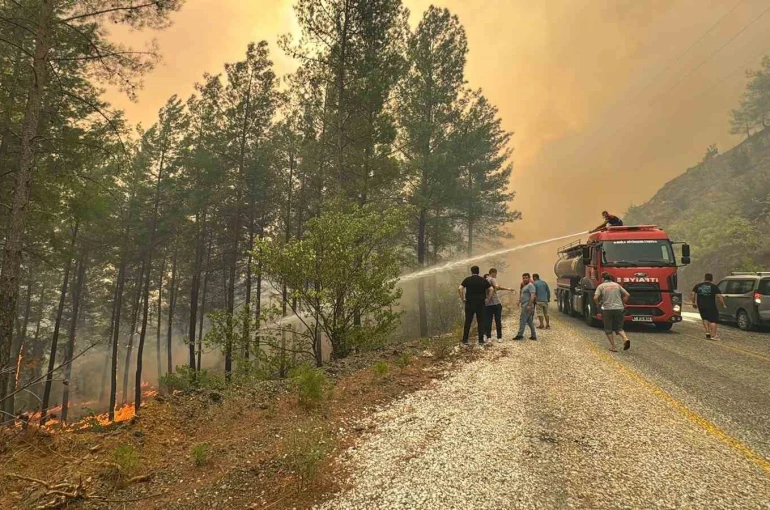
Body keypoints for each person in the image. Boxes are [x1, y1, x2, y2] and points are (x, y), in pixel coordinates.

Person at [593, 272, 631, 352]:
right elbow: (627, 294)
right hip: (618, 308)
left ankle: (613, 347)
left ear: (603, 279)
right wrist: (622, 303)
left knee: (608, 328)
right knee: (619, 327)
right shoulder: (617, 285)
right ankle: (625, 339)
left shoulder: (601, 286)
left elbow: (595, 297)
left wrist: (598, 304)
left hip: (607, 309)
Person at [459, 266, 493, 346]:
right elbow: (491, 289)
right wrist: (488, 298)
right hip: (480, 304)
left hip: (470, 303)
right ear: (478, 271)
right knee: (480, 322)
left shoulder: (467, 279)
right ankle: (480, 341)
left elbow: (460, 288)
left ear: (471, 271)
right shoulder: (483, 280)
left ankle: (465, 340)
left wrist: (462, 298)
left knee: (468, 321)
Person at [691, 273, 726, 340]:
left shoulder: (698, 286)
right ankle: (713, 335)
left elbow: (693, 294)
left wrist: (693, 303)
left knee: (705, 318)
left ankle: (707, 332)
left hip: (701, 305)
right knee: (713, 320)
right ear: (711, 279)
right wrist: (723, 304)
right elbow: (719, 296)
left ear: (705, 278)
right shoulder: (714, 286)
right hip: (710, 306)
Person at [484, 268, 512, 343]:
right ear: (493, 273)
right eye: (495, 273)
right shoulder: (492, 279)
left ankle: (489, 337)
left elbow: (496, 288)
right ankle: (499, 337)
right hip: (496, 304)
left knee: (488, 321)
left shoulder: (485, 280)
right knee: (498, 321)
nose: (496, 275)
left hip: (488, 305)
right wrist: (508, 289)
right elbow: (497, 287)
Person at [513, 273, 537, 340]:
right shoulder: (525, 286)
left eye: (526, 278)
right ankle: (534, 335)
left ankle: (519, 335)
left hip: (527, 305)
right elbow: (523, 295)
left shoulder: (530, 286)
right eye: (523, 278)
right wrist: (519, 301)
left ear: (529, 278)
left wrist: (529, 305)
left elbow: (532, 296)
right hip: (524, 305)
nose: (524, 279)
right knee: (529, 321)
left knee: (522, 320)